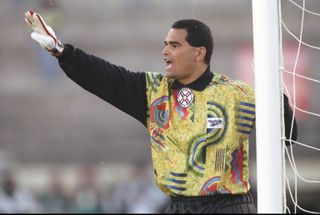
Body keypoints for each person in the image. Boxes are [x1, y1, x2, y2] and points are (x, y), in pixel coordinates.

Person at [24, 10, 297, 213]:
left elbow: (288, 137)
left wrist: (278, 100)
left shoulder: (236, 94)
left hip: (226, 206)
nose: (165, 51)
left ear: (199, 52)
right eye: (165, 44)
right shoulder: (153, 91)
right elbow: (104, 77)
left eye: (174, 45)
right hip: (176, 205)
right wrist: (62, 52)